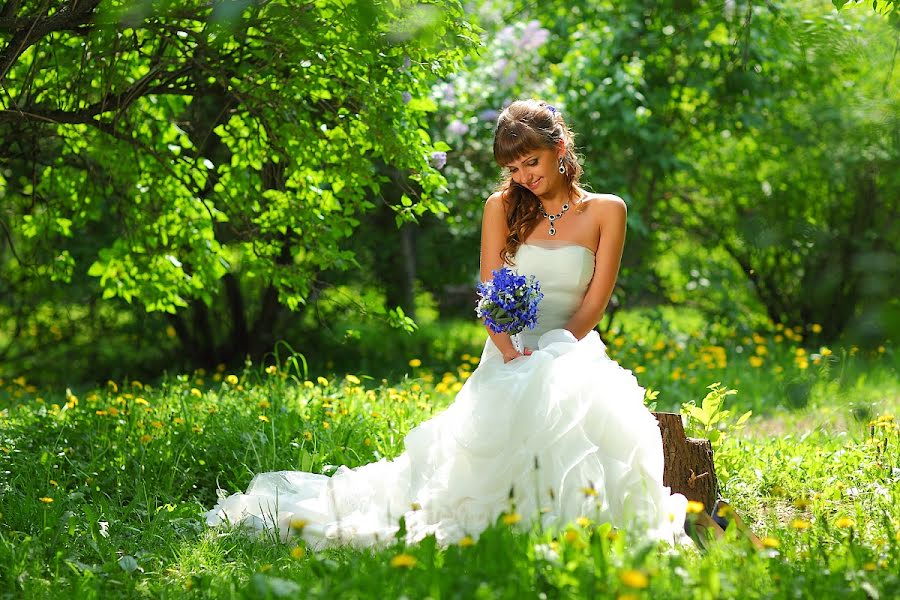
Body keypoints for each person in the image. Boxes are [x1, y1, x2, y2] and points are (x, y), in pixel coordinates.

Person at [205, 99, 689, 549]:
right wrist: (510, 352)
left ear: (559, 148)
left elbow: (595, 303)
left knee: (588, 420)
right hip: (510, 354)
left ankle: (578, 523)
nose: (524, 177)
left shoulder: (607, 210)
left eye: (532, 163)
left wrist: (555, 355)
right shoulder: (501, 207)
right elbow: (491, 291)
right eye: (513, 168)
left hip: (574, 348)